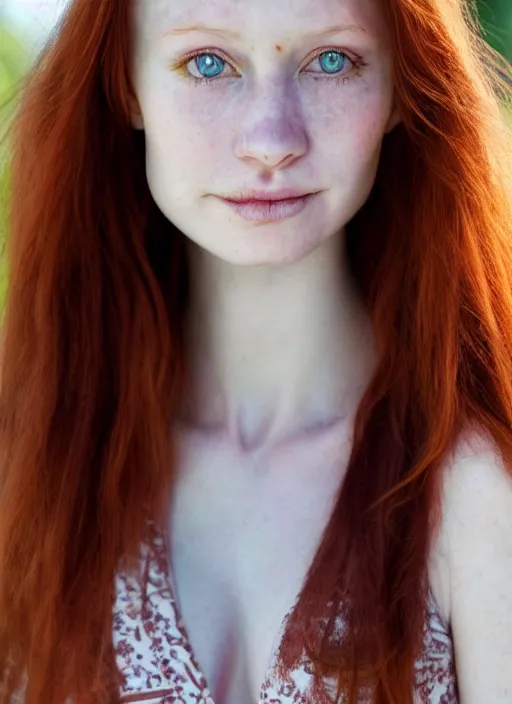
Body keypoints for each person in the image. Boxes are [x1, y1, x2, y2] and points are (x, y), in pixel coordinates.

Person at [0, 0, 511, 701]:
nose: (271, 139)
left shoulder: (478, 488)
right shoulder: (25, 467)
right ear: (126, 87)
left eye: (332, 60)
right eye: (208, 64)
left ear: (401, 88)